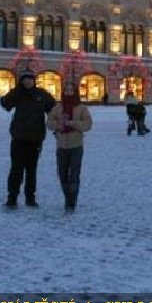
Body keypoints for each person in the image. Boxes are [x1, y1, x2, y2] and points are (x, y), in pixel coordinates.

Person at [0, 68, 55, 208]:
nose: (27, 81)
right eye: (24, 79)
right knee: (16, 169)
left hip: (35, 138)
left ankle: (30, 198)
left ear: (34, 80)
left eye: (30, 78)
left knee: (31, 170)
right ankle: (12, 198)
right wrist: (17, 90)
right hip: (18, 137)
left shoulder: (41, 94)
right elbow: (5, 103)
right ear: (21, 81)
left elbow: (54, 110)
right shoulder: (18, 93)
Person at [46, 82, 93, 212]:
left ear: (75, 91)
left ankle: (71, 202)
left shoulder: (81, 108)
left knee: (74, 175)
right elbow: (49, 123)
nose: (68, 91)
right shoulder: (57, 108)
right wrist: (58, 124)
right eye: (66, 89)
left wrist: (73, 123)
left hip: (76, 145)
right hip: (61, 145)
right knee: (62, 174)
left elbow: (88, 124)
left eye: (71, 89)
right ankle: (67, 197)